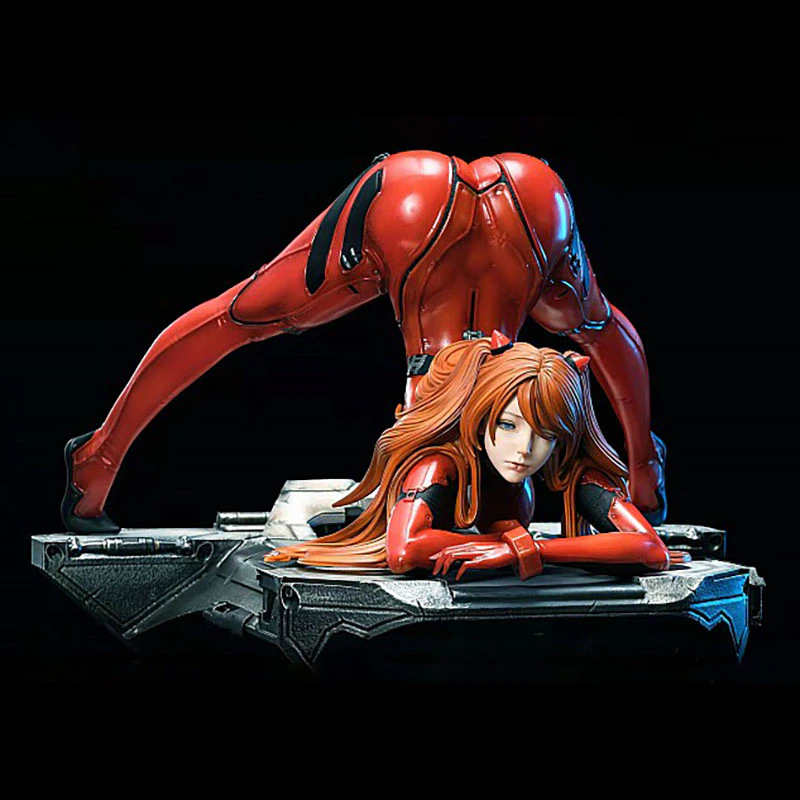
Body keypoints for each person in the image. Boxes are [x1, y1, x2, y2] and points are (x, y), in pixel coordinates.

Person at [61, 150, 666, 534]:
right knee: (242, 315)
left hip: (449, 203)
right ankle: (98, 459)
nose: (521, 456)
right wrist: (634, 478)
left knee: (241, 316)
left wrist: (636, 474)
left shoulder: (459, 431)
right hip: (481, 211)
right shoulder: (450, 437)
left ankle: (98, 459)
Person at [265, 332, 686, 580]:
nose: (525, 449)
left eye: (545, 434)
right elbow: (405, 550)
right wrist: (509, 543)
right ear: (482, 417)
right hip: (362, 509)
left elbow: (651, 549)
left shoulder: (569, 466)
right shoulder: (439, 465)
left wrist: (534, 551)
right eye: (508, 425)